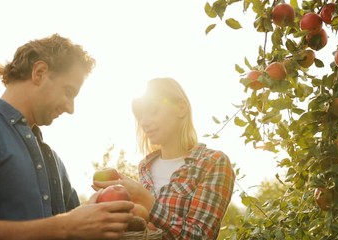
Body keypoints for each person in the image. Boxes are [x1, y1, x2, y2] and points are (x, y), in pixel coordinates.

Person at [0, 34, 134, 240]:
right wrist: (65, 226)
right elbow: (66, 227)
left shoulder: (53, 160)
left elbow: (74, 227)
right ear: (40, 72)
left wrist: (96, 216)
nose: (71, 109)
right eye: (69, 92)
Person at [94, 78, 236, 239]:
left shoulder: (213, 162)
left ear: (181, 108)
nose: (144, 122)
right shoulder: (145, 167)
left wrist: (149, 203)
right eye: (141, 116)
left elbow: (200, 236)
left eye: (153, 111)